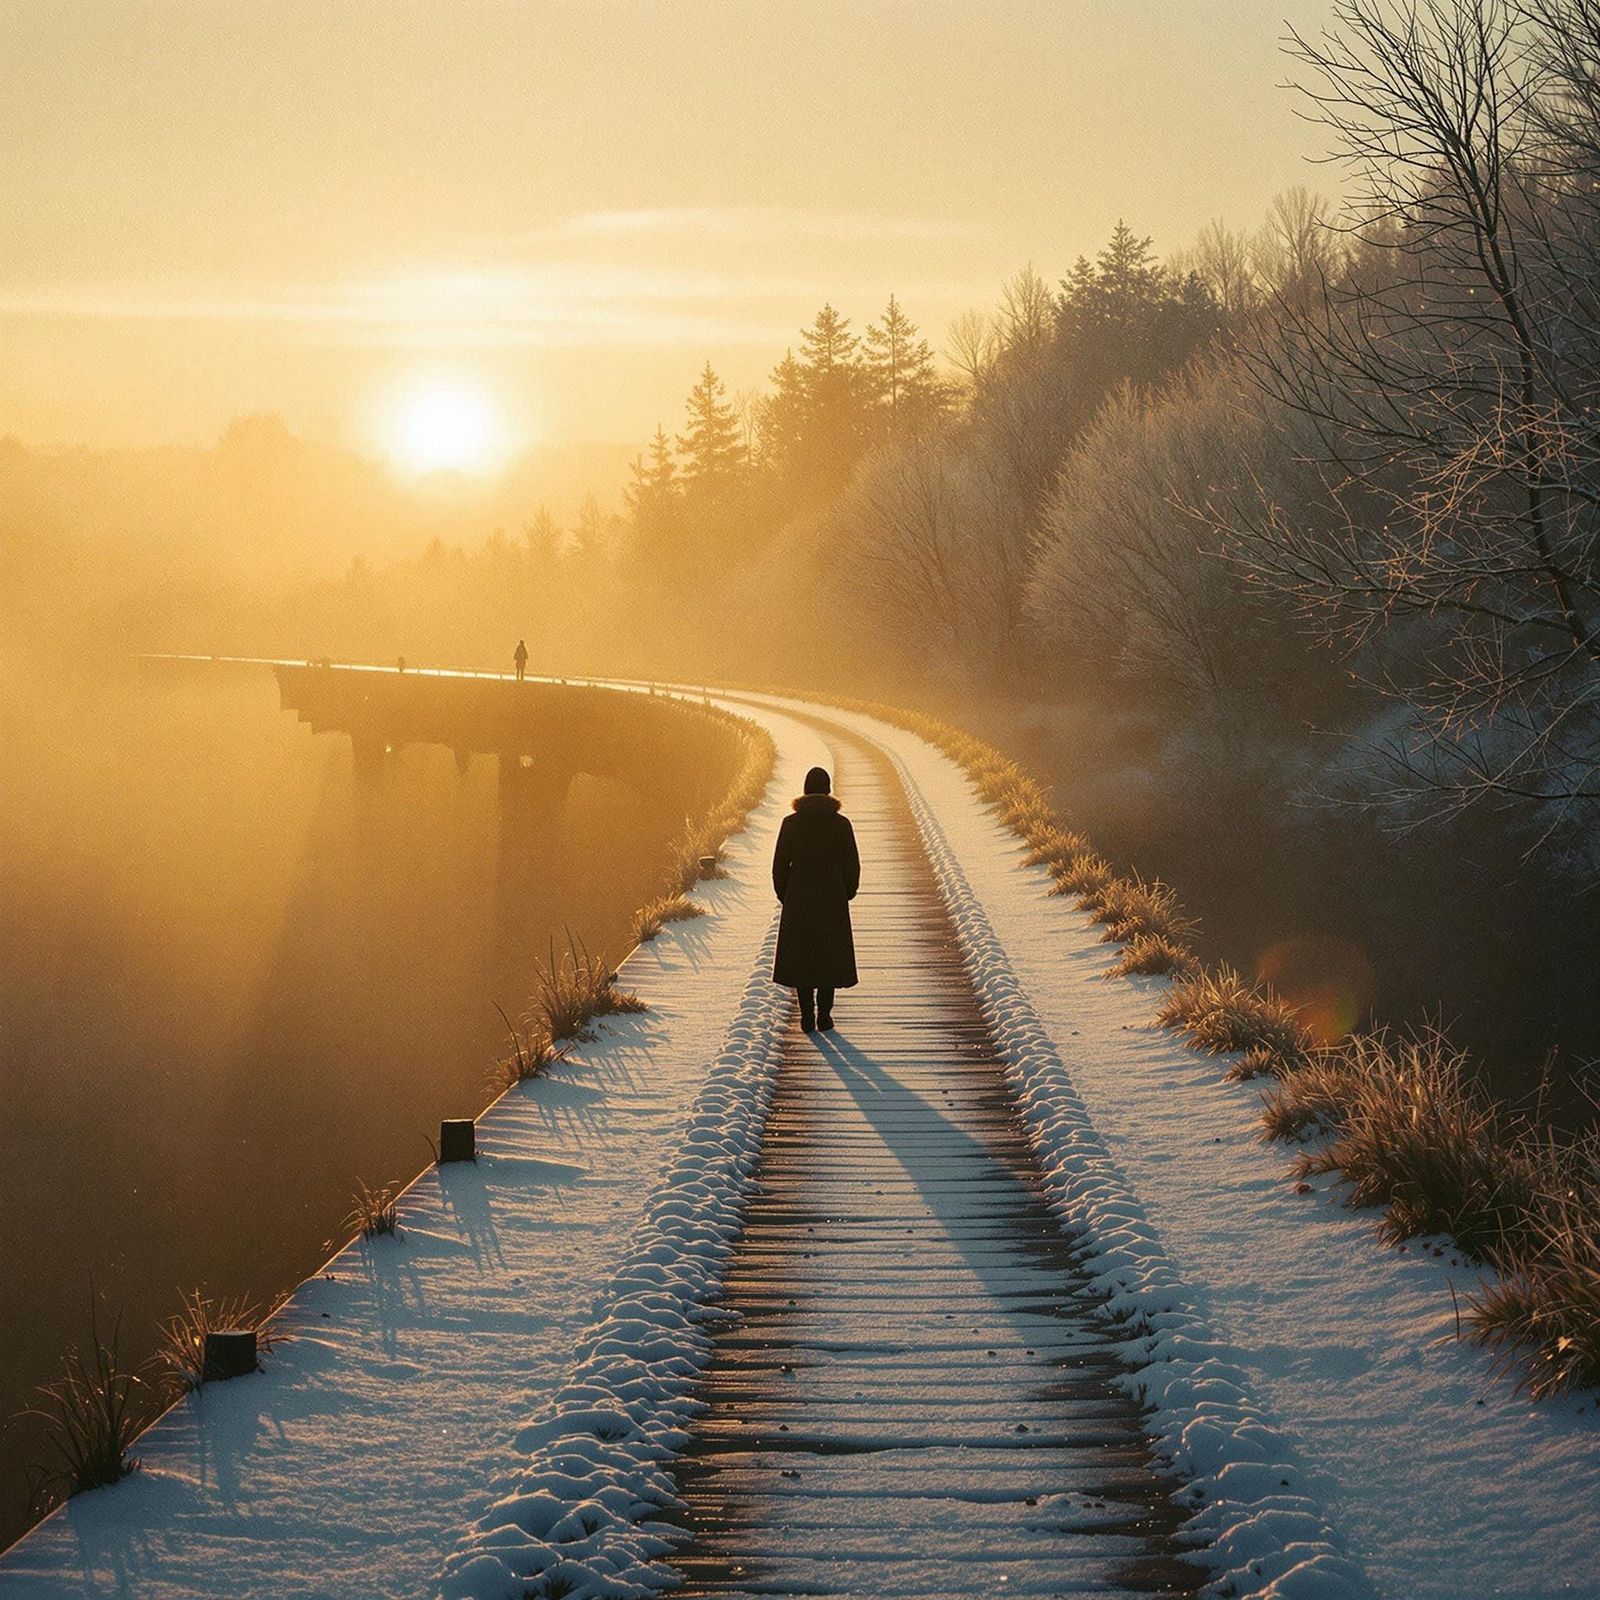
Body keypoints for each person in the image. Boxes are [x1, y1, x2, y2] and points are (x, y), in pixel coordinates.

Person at [771, 765, 860, 1032]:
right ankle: (825, 1014)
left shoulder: (791, 823)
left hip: (799, 899)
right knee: (828, 958)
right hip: (832, 900)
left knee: (802, 957)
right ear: (828, 791)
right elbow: (852, 865)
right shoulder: (841, 824)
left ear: (805, 791)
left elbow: (779, 866)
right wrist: (847, 892)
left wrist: (785, 894)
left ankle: (806, 1015)